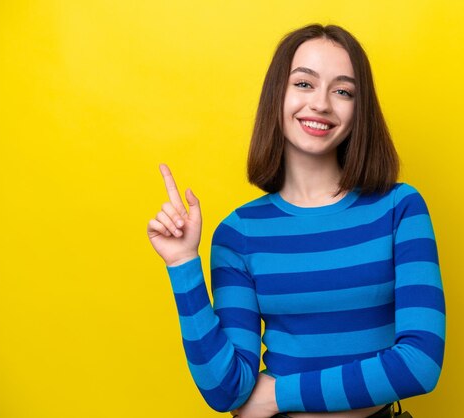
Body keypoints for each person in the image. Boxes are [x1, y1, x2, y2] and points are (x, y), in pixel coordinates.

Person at [147, 24, 445, 418]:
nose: (321, 103)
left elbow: (419, 364)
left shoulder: (399, 208)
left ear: (359, 112)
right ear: (278, 96)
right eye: (304, 84)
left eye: (343, 91)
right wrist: (182, 263)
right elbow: (227, 391)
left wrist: (276, 395)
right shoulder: (238, 234)